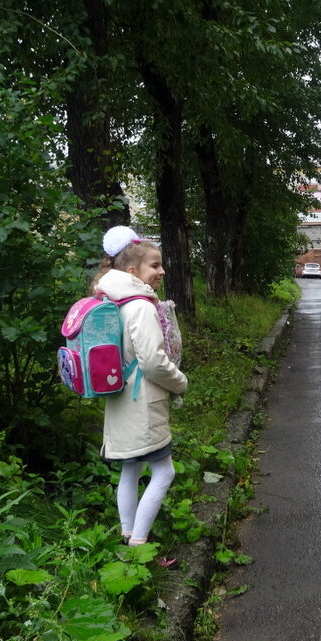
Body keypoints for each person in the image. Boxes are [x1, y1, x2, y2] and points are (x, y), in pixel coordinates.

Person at [92, 226, 188, 546]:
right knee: (164, 472)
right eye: (155, 265)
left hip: (120, 398)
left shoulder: (112, 300)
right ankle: (139, 544)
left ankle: (127, 533)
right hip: (143, 402)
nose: (162, 271)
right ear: (132, 270)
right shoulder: (141, 306)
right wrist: (180, 382)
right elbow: (153, 363)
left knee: (130, 471)